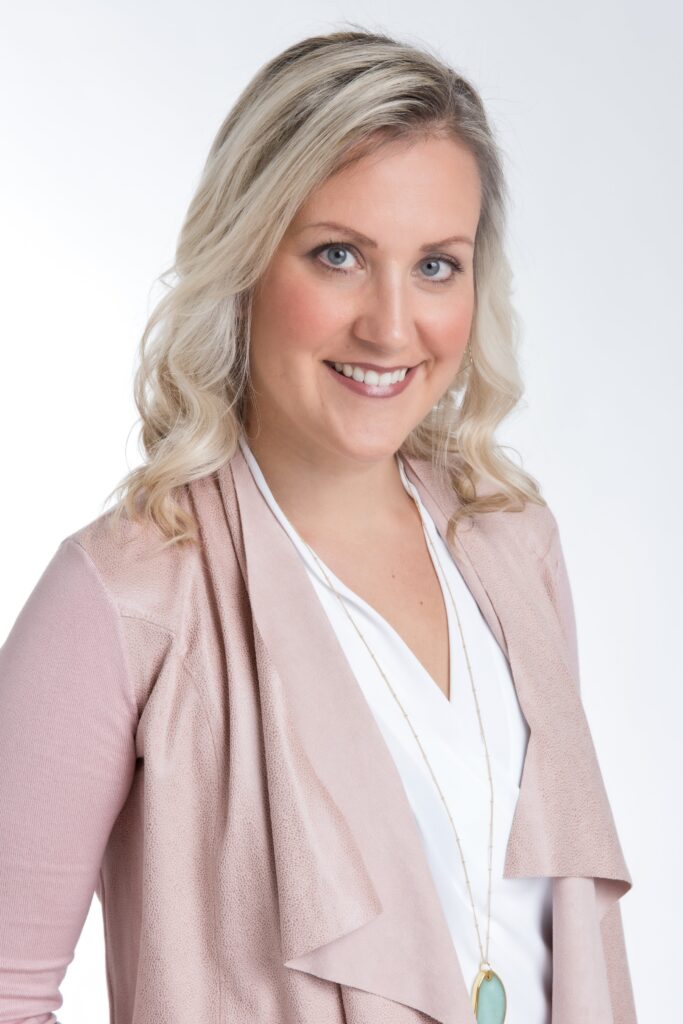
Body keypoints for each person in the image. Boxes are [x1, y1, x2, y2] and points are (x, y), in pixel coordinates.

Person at [0, 27, 636, 1024]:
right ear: (245, 257)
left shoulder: (513, 547)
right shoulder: (124, 598)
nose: (390, 325)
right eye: (338, 255)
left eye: (435, 265)